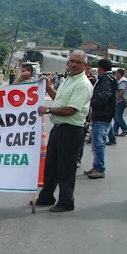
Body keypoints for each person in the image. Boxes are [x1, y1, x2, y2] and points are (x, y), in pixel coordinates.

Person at [35, 50, 93, 212]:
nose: (74, 64)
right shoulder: (68, 80)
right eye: (72, 61)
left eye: (78, 62)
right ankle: (46, 196)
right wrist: (47, 87)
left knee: (66, 169)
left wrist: (47, 110)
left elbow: (70, 110)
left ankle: (66, 201)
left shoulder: (83, 84)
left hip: (71, 130)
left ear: (85, 65)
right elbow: (59, 99)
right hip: (59, 128)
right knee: (51, 166)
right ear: (67, 64)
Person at [83, 59, 117, 179]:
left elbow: (103, 97)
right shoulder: (107, 79)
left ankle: (99, 168)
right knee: (96, 142)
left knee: (98, 142)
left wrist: (90, 103)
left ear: (101, 68)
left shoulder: (106, 81)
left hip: (103, 115)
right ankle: (96, 165)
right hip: (103, 114)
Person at [108, 68, 127, 142]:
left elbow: (121, 91)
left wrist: (116, 100)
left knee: (118, 116)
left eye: (116, 73)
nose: (115, 75)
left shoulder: (123, 81)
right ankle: (115, 131)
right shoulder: (121, 80)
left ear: (119, 74)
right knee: (117, 116)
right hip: (120, 100)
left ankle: (125, 129)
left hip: (121, 101)